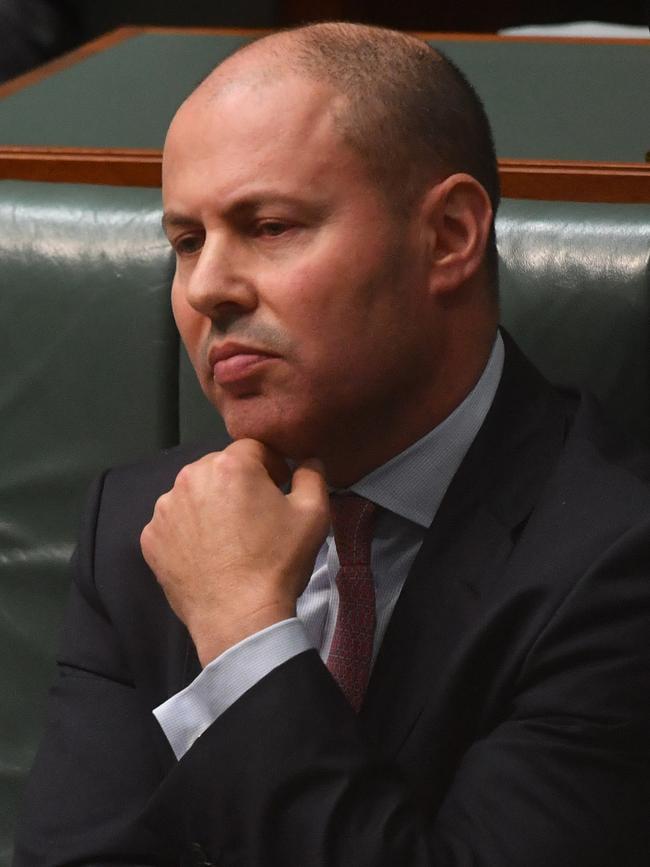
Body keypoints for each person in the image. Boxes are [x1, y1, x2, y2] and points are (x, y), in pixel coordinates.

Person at [13, 22, 650, 867]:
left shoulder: (618, 557)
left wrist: (243, 631)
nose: (207, 288)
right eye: (187, 242)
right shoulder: (141, 525)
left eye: (270, 225)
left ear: (450, 235)